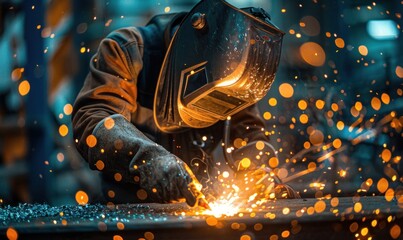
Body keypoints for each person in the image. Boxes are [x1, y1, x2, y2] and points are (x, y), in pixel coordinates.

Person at [72, 0, 294, 207]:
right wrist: (149, 160)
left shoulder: (233, 73)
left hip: (195, 210)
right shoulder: (127, 51)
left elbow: (248, 133)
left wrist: (258, 174)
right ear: (191, 60)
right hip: (126, 211)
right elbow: (93, 119)